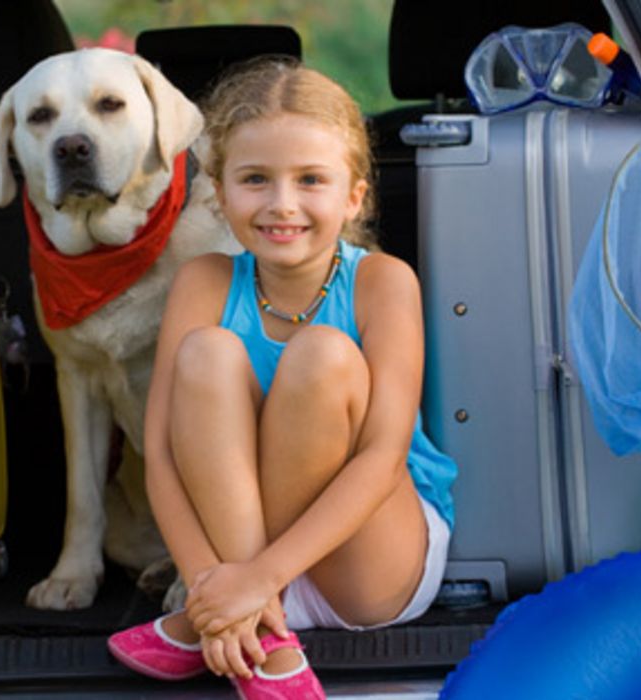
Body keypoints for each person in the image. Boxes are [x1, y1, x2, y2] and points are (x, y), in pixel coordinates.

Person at [106, 57, 457, 699]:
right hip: (237, 567)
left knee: (321, 354)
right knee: (206, 353)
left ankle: (232, 615)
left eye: (311, 180)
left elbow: (381, 458)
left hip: (368, 556)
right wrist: (208, 577)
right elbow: (157, 453)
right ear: (218, 190)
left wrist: (251, 580)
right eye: (256, 179)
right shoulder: (205, 282)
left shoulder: (382, 282)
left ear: (355, 195)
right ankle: (262, 637)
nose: (282, 204)